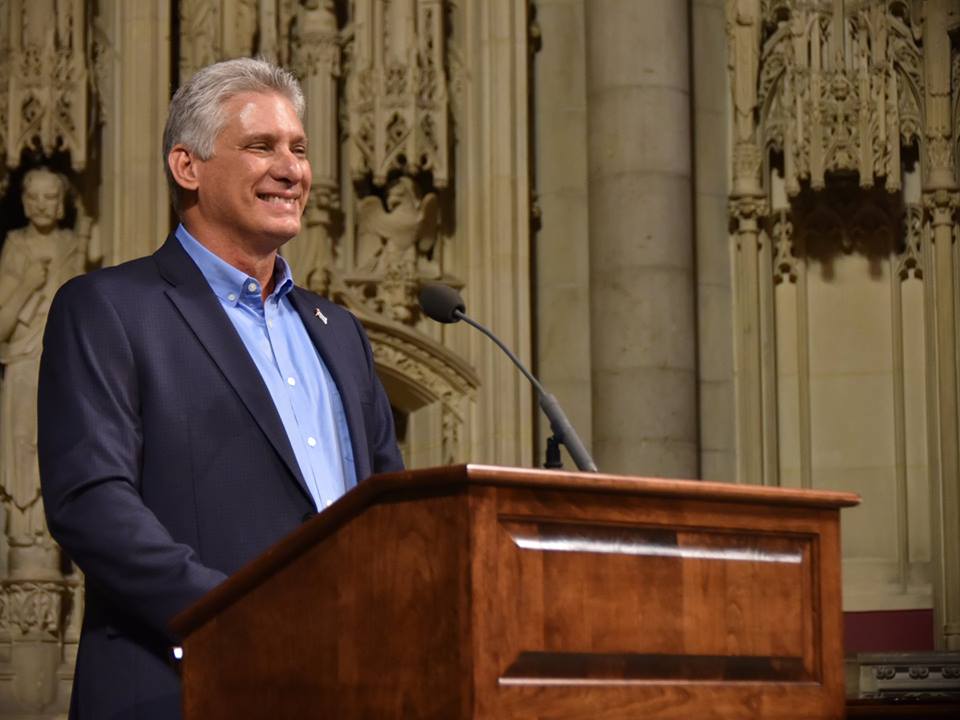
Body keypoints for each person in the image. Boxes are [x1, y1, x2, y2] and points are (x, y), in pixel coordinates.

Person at [37, 58, 403, 719]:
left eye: (298, 148)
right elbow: (92, 503)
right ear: (188, 167)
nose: (292, 169)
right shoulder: (110, 308)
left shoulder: (340, 332)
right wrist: (239, 617)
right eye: (261, 146)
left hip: (348, 686)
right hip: (185, 686)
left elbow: (392, 517)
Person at [0, 168, 99, 561]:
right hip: (24, 363)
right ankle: (25, 541)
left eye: (50, 197)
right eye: (34, 197)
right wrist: (27, 285)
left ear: (62, 204)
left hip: (64, 366)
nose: (41, 205)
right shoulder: (16, 247)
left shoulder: (73, 245)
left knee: (59, 444)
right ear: (23, 202)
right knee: (24, 446)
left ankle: (55, 543)